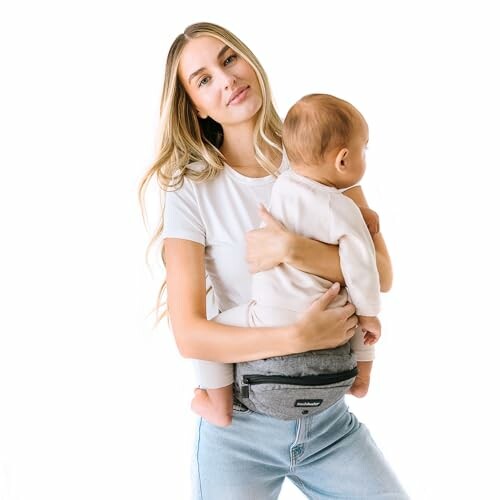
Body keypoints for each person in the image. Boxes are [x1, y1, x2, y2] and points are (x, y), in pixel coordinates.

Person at [139, 21, 408, 500]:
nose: (226, 80)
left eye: (229, 59)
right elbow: (190, 334)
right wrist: (296, 336)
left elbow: (381, 275)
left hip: (329, 424)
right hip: (240, 432)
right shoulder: (190, 192)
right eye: (203, 80)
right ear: (195, 106)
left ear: (249, 60)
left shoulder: (319, 153)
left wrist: (292, 249)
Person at [191, 93, 383, 428]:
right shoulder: (344, 208)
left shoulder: (281, 186)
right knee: (358, 320)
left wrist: (292, 248)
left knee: (214, 332)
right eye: (364, 149)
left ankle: (218, 404)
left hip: (268, 314)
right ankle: (361, 378)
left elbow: (308, 213)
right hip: (327, 312)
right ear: (342, 160)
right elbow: (367, 269)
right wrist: (370, 315)